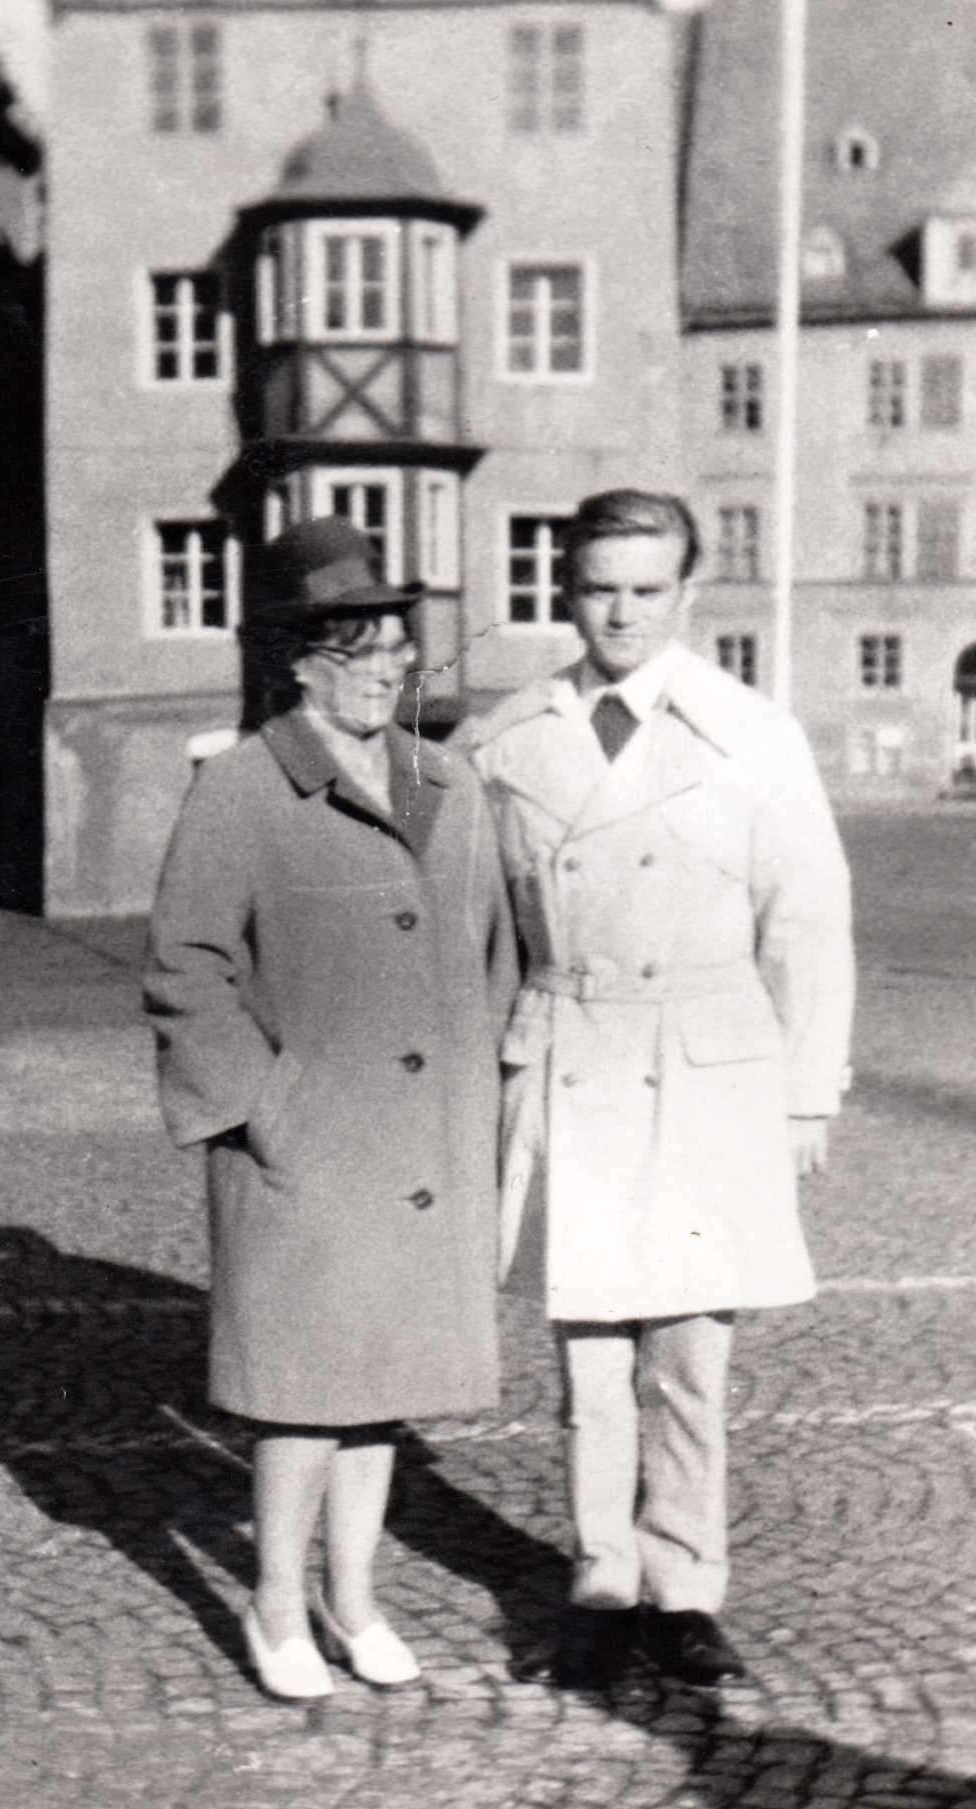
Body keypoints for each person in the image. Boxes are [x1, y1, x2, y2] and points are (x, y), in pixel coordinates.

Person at [459, 490, 854, 1689]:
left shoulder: (752, 734)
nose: (621, 613)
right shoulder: (507, 738)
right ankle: (600, 1581)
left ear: (689, 594)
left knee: (687, 1360)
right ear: (565, 592)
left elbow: (808, 923)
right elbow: (476, 930)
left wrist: (805, 1095)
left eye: (645, 589)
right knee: (589, 1357)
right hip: (572, 1051)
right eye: (598, 589)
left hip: (704, 1064)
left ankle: (684, 1589)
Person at [145, 516, 517, 1701]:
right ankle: (273, 1604)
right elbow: (186, 968)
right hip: (305, 1150)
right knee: (300, 1396)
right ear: (298, 663)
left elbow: (492, 950)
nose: (385, 670)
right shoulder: (242, 791)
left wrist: (475, 1093)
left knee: (381, 1391)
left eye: (396, 648)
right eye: (356, 652)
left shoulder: (443, 783)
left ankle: (352, 1601)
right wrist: (267, 1110)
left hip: (419, 1147)